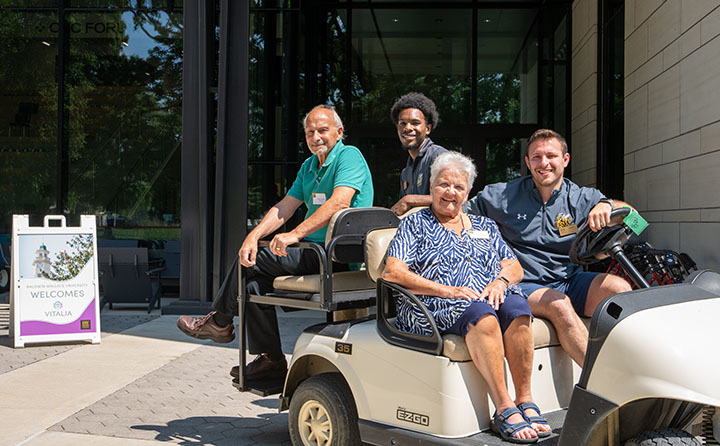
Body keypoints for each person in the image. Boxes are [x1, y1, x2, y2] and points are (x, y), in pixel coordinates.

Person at [176, 105, 374, 378]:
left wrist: (293, 235)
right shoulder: (308, 166)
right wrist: (253, 236)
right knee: (253, 282)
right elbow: (285, 207)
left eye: (322, 130)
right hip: (313, 253)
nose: (316, 136)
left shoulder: (349, 156)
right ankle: (271, 360)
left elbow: (340, 201)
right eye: (309, 132)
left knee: (256, 259)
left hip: (337, 254)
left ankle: (219, 321)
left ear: (339, 132)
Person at [382, 151, 550, 444]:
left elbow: (514, 266)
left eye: (459, 187)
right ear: (431, 186)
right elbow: (393, 273)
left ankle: (525, 399)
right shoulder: (415, 224)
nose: (450, 193)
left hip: (484, 298)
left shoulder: (485, 225)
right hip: (431, 303)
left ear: (468, 192)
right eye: (443, 185)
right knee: (482, 316)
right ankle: (504, 406)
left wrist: (500, 281)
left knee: (519, 309)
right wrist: (446, 289)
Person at [465, 129, 633, 367]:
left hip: (569, 280)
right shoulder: (502, 195)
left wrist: (609, 205)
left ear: (565, 160)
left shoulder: (583, 198)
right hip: (523, 285)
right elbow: (455, 207)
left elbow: (639, 222)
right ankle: (603, 384)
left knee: (621, 289)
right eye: (536, 157)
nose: (544, 163)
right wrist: (416, 204)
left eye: (551, 156)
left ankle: (632, 368)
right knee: (559, 303)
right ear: (527, 162)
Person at [389, 92, 448, 216]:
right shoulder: (406, 172)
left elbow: (452, 198)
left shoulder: (439, 157)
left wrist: (409, 200)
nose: (408, 128)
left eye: (415, 123)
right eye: (402, 123)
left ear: (428, 129)